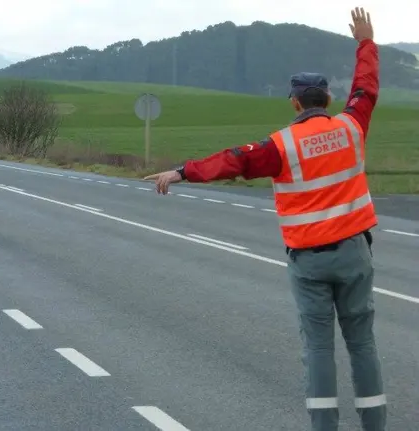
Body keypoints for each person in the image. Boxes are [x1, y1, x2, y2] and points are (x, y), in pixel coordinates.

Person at [144, 8, 385, 431]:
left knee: (318, 349)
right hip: (354, 254)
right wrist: (365, 41)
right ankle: (375, 425)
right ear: (327, 99)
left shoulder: (279, 147)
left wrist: (182, 171)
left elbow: (232, 161)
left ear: (294, 101)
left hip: (309, 261)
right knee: (362, 343)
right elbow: (366, 88)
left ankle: (324, 426)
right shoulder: (351, 127)